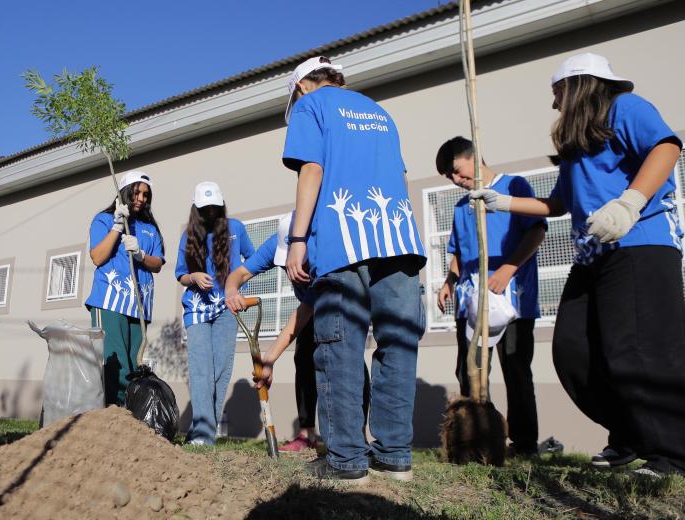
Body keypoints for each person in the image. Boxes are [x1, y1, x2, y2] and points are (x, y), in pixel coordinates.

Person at [471, 53, 685, 478]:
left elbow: (666, 147)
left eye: (555, 94)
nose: (553, 105)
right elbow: (559, 202)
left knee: (638, 352)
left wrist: (630, 202)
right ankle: (630, 435)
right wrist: (504, 202)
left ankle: (672, 453)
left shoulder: (627, 108)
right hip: (593, 255)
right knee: (574, 351)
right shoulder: (575, 147)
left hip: (640, 244)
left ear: (576, 87)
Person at [282, 56, 426, 483]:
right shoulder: (380, 111)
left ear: (303, 86)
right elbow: (398, 175)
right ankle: (394, 456)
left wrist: (297, 239)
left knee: (339, 348)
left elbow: (312, 168)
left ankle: (346, 462)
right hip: (398, 239)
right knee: (397, 344)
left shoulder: (312, 106)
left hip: (343, 240)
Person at [435, 136, 546, 457]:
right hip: (471, 303)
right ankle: (477, 440)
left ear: (474, 157)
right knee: (470, 371)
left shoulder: (514, 186)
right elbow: (456, 252)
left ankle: (525, 444)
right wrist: (449, 281)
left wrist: (508, 269)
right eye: (449, 177)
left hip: (512, 300)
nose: (457, 180)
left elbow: (537, 230)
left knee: (516, 369)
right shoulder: (461, 207)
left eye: (457, 170)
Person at [224, 213, 319, 452]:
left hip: (337, 306)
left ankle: (355, 439)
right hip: (307, 309)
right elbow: (240, 273)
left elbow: (304, 312)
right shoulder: (277, 242)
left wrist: (269, 359)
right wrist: (232, 290)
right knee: (304, 359)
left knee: (347, 365)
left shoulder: (322, 251)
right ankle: (307, 435)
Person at [175, 181, 254, 446]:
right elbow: (180, 274)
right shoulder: (188, 235)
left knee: (220, 369)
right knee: (201, 371)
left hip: (226, 307)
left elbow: (252, 262)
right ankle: (203, 435)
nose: (210, 213)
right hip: (197, 308)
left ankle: (204, 431)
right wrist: (193, 276)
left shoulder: (236, 229)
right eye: (205, 208)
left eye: (215, 208)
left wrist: (238, 289)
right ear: (196, 209)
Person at [85, 170, 165, 406]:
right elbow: (97, 257)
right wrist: (117, 227)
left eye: (146, 195)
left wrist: (141, 255)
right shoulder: (104, 219)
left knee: (133, 364)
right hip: (109, 301)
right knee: (115, 363)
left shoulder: (150, 228)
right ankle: (113, 415)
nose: (141, 198)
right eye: (137, 193)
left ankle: (127, 417)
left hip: (140, 305)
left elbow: (158, 263)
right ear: (125, 192)